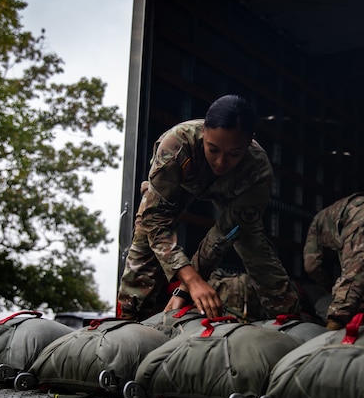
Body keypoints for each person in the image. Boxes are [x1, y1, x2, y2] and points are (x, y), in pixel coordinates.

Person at [117, 94, 299, 320]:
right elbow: (155, 221)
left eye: (234, 154)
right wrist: (190, 280)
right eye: (213, 149)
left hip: (230, 193)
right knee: (145, 237)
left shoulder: (257, 171)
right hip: (180, 185)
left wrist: (187, 287)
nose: (221, 162)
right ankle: (129, 317)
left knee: (254, 245)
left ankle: (288, 319)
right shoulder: (176, 145)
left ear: (249, 142)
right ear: (203, 132)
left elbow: (225, 233)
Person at [303, 192, 364, 330]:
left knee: (355, 269)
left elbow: (311, 265)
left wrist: (328, 287)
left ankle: (336, 320)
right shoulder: (333, 220)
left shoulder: (317, 225)